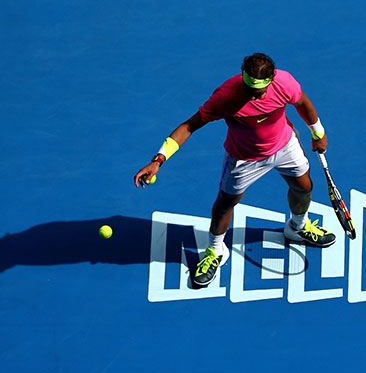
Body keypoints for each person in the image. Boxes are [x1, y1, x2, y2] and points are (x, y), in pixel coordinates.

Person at [133, 52, 336, 287]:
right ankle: (215, 251)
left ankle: (297, 227)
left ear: (271, 80)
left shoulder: (285, 83)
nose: (251, 96)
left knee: (304, 188)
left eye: (257, 92)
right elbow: (189, 126)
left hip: (284, 146)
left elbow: (303, 103)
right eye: (248, 89)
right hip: (243, 159)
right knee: (224, 205)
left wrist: (318, 132)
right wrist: (158, 160)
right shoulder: (227, 96)